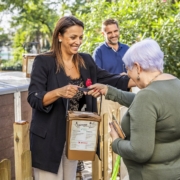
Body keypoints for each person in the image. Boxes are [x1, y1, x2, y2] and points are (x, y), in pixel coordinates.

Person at [27, 15, 135, 180]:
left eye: (80, 37)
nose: (78, 41)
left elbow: (108, 79)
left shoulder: (85, 61)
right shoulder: (43, 61)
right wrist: (59, 92)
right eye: (73, 37)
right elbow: (34, 98)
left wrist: (140, 79)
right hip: (48, 138)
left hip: (75, 136)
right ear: (60, 36)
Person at [87, 38, 180, 180]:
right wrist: (109, 91)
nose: (128, 74)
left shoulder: (147, 96)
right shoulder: (175, 85)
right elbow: (150, 104)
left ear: (138, 67)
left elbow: (140, 152)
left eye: (128, 68)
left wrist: (116, 141)